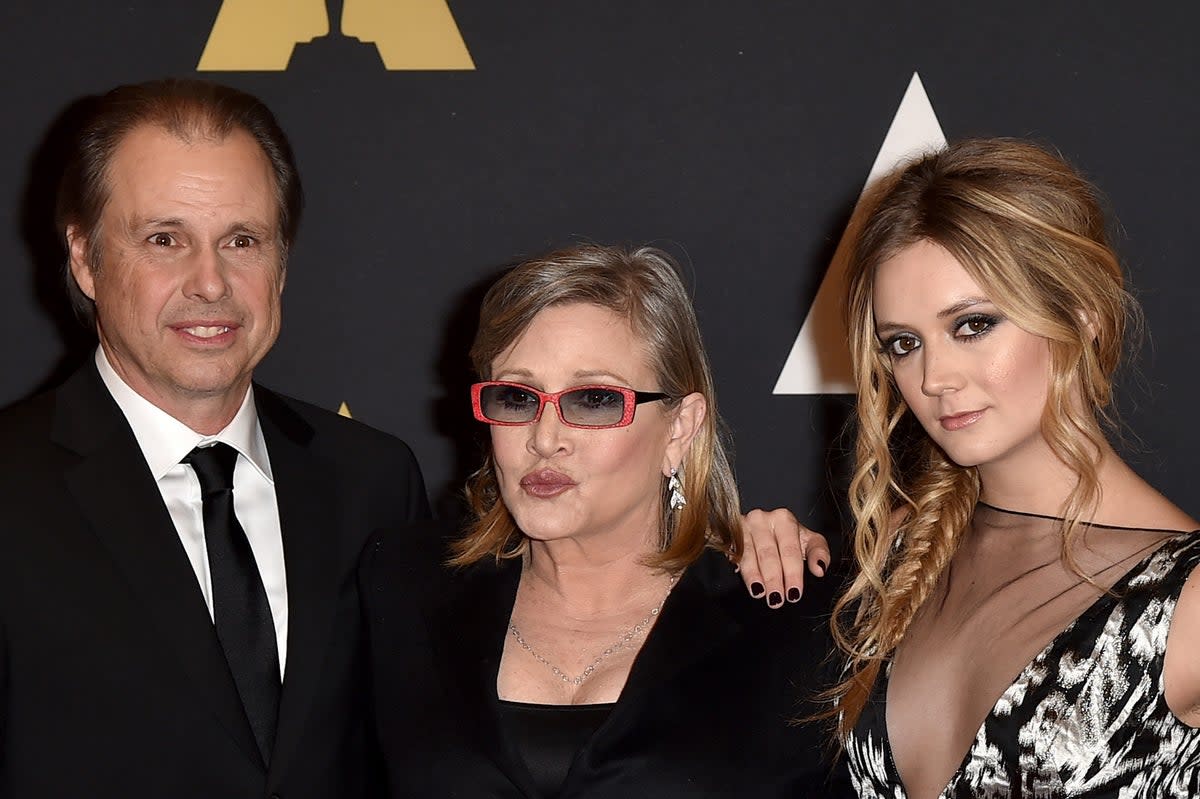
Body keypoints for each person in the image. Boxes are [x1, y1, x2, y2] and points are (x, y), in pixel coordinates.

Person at [0, 79, 430, 797]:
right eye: (164, 239)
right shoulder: (10, 488)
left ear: (282, 261)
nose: (210, 282)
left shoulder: (374, 480)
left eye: (242, 240)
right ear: (84, 259)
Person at [360, 243, 851, 797]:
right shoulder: (401, 590)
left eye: (593, 400)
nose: (545, 439)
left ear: (680, 429)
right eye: (517, 397)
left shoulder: (792, 615)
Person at [829, 138, 1200, 796]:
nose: (934, 377)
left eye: (972, 324)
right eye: (904, 343)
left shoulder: (1188, 601)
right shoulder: (908, 554)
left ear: (1081, 317)